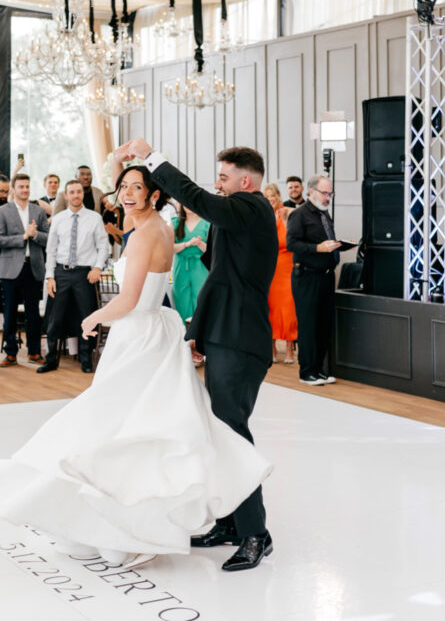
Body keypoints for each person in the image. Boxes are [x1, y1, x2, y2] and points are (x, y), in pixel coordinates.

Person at [0, 164, 271, 568]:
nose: (127, 193)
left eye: (137, 187)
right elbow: (199, 273)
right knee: (160, 426)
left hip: (168, 333)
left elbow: (134, 297)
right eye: (123, 187)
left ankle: (253, 531)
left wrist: (93, 318)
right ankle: (226, 522)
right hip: (162, 331)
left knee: (209, 429)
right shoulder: (160, 228)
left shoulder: (240, 210)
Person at [122, 138, 278, 572]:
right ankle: (230, 523)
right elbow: (220, 278)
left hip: (244, 340)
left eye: (224, 177)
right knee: (219, 431)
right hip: (226, 334)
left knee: (232, 433)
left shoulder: (251, 207)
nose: (218, 184)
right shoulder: (238, 219)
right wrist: (199, 331)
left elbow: (196, 198)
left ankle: (256, 534)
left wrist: (153, 158)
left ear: (245, 180)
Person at [39, 180, 109, 374]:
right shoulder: (59, 218)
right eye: (72, 192)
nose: (76, 195)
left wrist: (97, 267)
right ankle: (51, 359)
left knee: (86, 316)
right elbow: (50, 249)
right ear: (66, 195)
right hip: (60, 273)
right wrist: (50, 276)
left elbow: (104, 246)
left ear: (82, 194)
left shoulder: (94, 218)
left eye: (79, 192)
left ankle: (86, 360)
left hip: (84, 274)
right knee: (54, 318)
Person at [286, 174, 341, 386]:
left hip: (325, 276)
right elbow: (292, 244)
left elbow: (325, 242)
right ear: (311, 192)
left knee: (323, 325)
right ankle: (307, 372)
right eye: (324, 193)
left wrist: (340, 245)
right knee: (309, 325)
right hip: (306, 276)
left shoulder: (325, 215)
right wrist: (317, 248)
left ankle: (319, 370)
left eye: (330, 194)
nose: (328, 197)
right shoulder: (299, 215)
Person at [0, 172, 49, 367]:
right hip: (10, 269)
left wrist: (34, 236)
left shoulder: (38, 211)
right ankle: (10, 353)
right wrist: (23, 237)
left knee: (33, 312)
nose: (25, 190)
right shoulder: (2, 211)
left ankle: (34, 352)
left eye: (27, 186)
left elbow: (48, 238)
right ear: (13, 189)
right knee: (9, 312)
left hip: (33, 267)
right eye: (21, 187)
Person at [264, 183, 297, 364]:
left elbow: (294, 237)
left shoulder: (289, 212)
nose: (271, 199)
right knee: (271, 308)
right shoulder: (262, 216)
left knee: (288, 308)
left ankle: (290, 348)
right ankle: (272, 348)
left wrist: (284, 220)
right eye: (267, 197)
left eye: (273, 196)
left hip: (287, 265)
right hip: (269, 267)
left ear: (278, 196)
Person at [170, 201, 210, 324]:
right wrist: (186, 244)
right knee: (181, 299)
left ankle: (200, 336)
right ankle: (184, 335)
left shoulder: (207, 223)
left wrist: (199, 243)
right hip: (181, 266)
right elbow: (169, 248)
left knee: (201, 299)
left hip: (201, 266)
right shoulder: (175, 223)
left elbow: (212, 250)